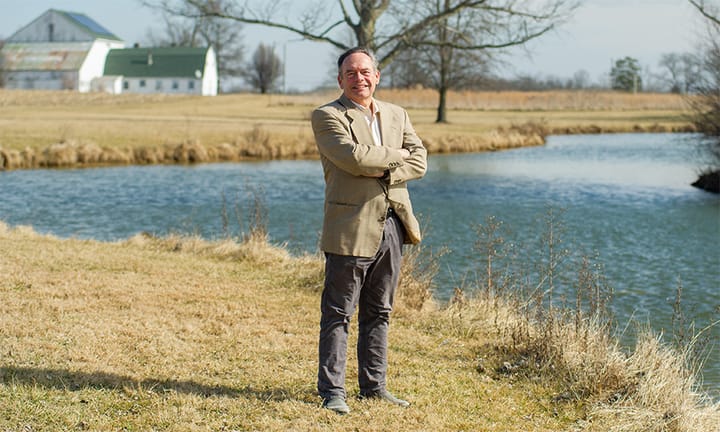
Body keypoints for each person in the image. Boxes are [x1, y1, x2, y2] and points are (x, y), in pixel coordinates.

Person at [311, 46, 428, 415]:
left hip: (393, 224)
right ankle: (333, 392)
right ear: (340, 79)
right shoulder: (327, 116)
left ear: (377, 76)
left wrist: (384, 162)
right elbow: (354, 159)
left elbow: (421, 159)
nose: (358, 78)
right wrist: (397, 157)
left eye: (365, 72)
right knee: (338, 313)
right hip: (351, 227)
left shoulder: (398, 113)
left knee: (380, 311)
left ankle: (374, 387)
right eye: (350, 72)